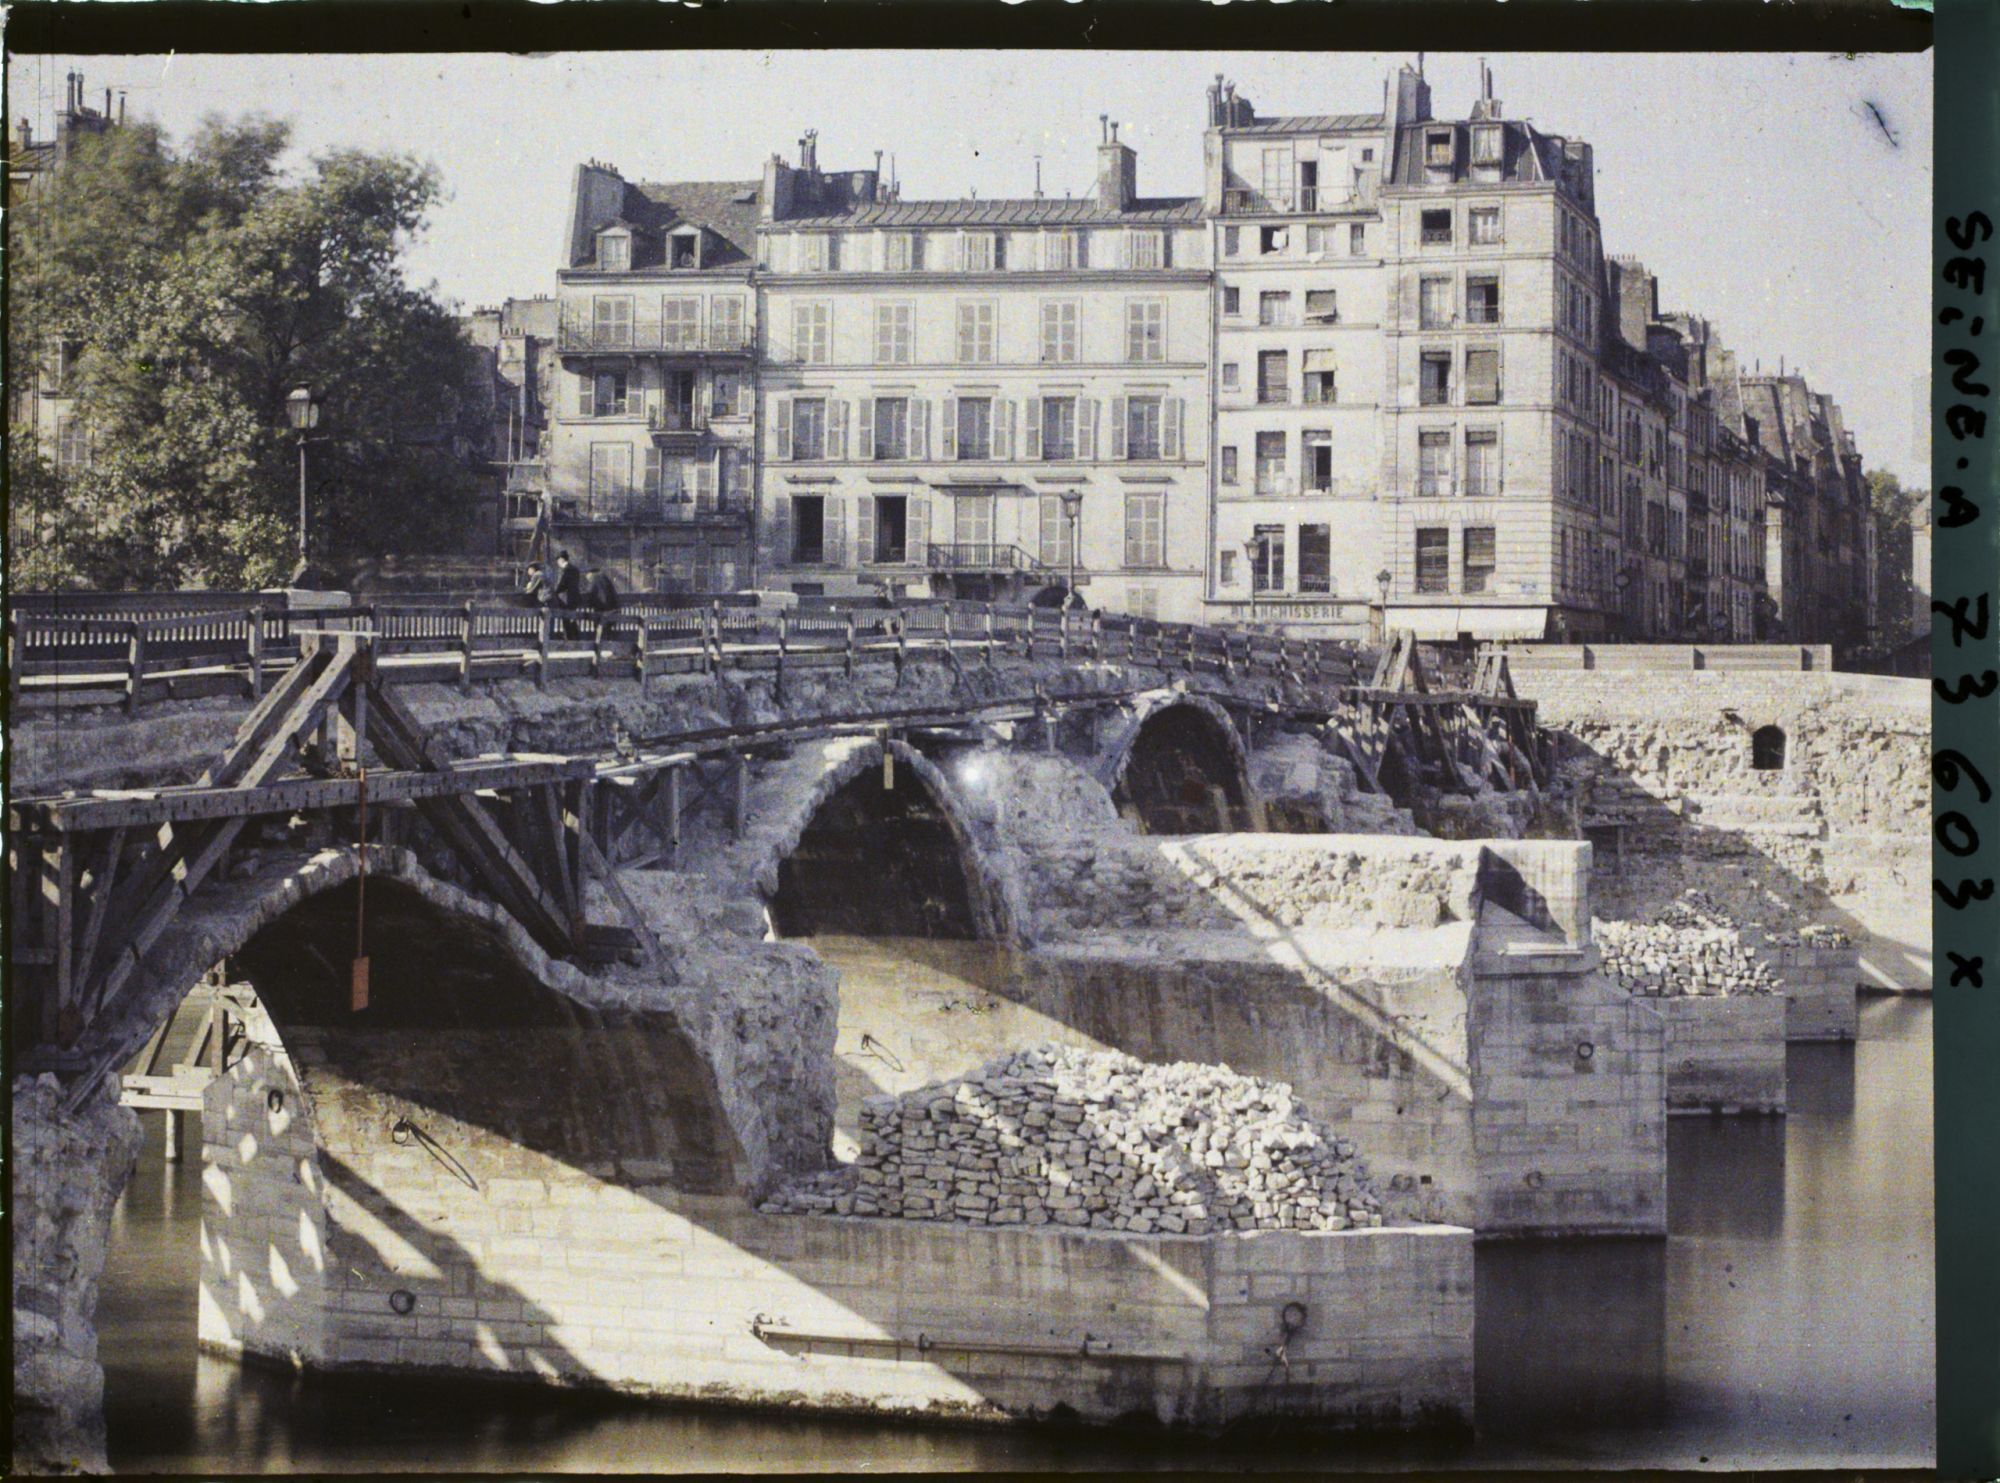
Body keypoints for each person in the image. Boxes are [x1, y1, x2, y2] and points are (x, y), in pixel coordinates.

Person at [582, 564, 621, 641]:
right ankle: (608, 642)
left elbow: (590, 593)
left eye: (586, 575)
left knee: (598, 623)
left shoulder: (594, 579)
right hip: (613, 610)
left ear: (590, 573)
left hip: (602, 611)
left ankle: (599, 643)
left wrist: (589, 605)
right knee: (606, 625)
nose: (586, 577)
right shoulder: (604, 577)